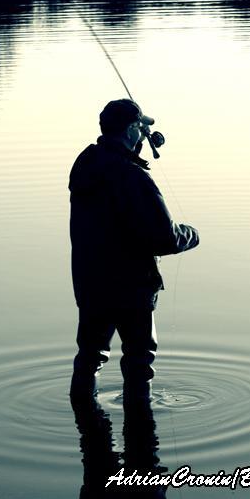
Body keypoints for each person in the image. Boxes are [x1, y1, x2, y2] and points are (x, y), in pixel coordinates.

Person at [69, 98, 199, 404]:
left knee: (90, 355)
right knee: (139, 362)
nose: (142, 135)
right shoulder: (133, 177)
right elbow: (163, 238)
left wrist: (136, 148)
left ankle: (86, 423)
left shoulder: (86, 164)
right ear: (129, 130)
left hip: (90, 282)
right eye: (138, 130)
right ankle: (140, 431)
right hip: (131, 285)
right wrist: (191, 235)